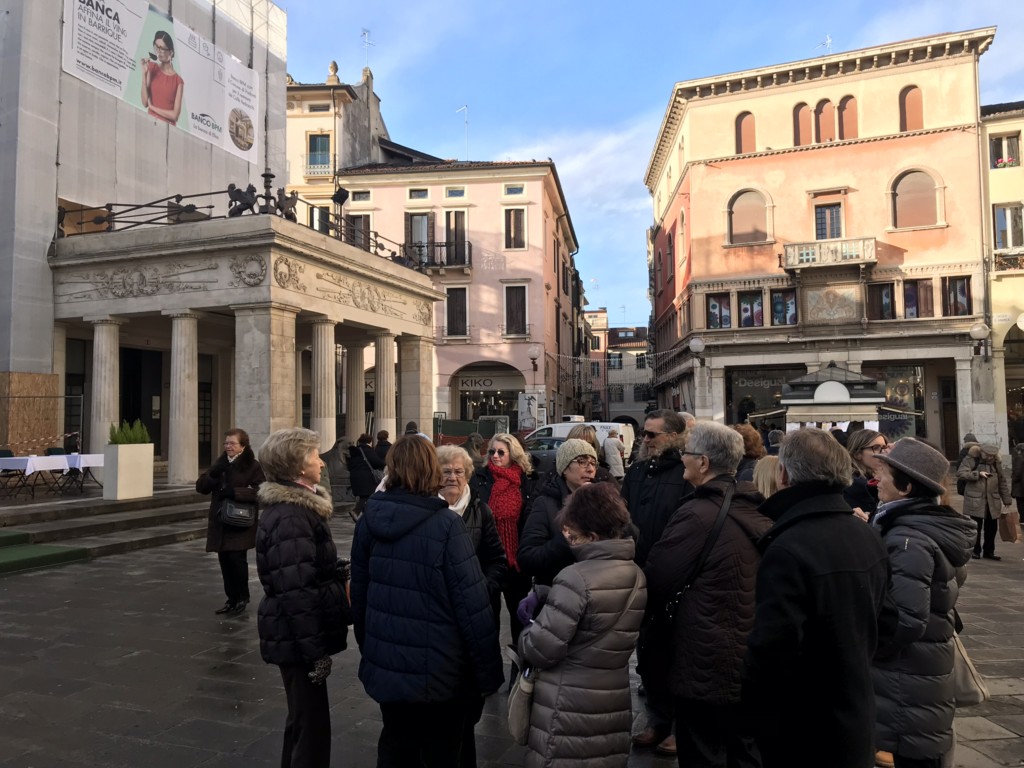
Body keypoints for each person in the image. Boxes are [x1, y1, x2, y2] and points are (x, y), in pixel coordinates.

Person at [350, 435, 503, 767]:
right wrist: (488, 673)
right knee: (441, 752)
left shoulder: (368, 521)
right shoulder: (447, 524)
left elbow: (359, 597)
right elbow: (473, 607)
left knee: (396, 746)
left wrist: (370, 649)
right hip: (440, 670)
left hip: (388, 663)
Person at [742, 428, 890, 768]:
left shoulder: (788, 546)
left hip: (802, 726)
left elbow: (772, 650)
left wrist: (751, 716)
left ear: (783, 475)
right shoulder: (867, 534)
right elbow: (889, 624)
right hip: (856, 711)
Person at [645, 421, 770, 768]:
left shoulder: (696, 514)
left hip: (703, 659)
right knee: (743, 750)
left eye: (686, 453)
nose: (682, 458)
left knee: (703, 751)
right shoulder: (756, 507)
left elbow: (658, 578)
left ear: (703, 462)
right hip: (746, 655)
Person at [517, 482, 647, 768]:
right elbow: (598, 611)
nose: (570, 542)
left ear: (592, 536)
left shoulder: (574, 577)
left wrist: (528, 629)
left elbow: (541, 649)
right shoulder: (636, 574)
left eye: (574, 537)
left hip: (567, 705)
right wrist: (551, 596)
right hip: (612, 702)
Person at [870, 438, 975, 768]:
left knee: (914, 756)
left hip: (907, 682)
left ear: (906, 488)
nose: (877, 480)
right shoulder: (923, 528)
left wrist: (866, 646)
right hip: (920, 677)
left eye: (885, 475)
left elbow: (906, 621)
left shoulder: (908, 539)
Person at [255, 428, 349, 768]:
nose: (321, 463)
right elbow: (296, 591)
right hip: (297, 637)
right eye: (314, 455)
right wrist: (315, 652)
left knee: (304, 720)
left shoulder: (297, 509)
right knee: (311, 727)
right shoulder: (292, 515)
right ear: (297, 465)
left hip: (293, 634)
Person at [621, 409, 692, 756]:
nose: (645, 440)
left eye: (652, 434)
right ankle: (657, 720)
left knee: (678, 654)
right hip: (640, 574)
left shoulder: (686, 473)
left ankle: (680, 726)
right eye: (644, 434)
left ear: (674, 437)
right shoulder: (636, 471)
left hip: (678, 577)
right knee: (648, 653)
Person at [469, 433, 537, 647]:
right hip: (488, 559)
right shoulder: (479, 478)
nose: (495, 456)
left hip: (516, 562)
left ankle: (519, 662)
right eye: (492, 452)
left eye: (500, 452)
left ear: (513, 454)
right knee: (489, 620)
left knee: (519, 618)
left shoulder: (526, 481)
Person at [195, 428, 265, 616]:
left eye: (232, 443)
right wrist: (213, 475)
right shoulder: (220, 463)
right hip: (221, 520)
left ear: (243, 446)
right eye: (226, 443)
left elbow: (261, 491)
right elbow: (201, 488)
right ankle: (231, 599)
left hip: (239, 520)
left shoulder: (253, 466)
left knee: (237, 560)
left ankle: (242, 597)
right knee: (224, 561)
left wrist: (236, 492)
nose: (228, 446)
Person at [436, 444, 508, 620]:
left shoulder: (482, 511)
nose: (452, 477)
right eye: (446, 472)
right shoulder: (428, 511)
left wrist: (483, 589)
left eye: (458, 472)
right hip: (438, 608)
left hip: (476, 607)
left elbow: (497, 560)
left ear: (467, 476)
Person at [518, 439, 598, 587]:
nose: (590, 469)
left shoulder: (603, 499)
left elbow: (629, 535)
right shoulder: (545, 503)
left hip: (598, 589)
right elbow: (527, 558)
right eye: (582, 462)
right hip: (559, 590)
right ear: (564, 468)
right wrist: (563, 542)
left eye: (593, 463)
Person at [957, 443, 1011, 560]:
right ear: (981, 452)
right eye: (987, 455)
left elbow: (1002, 481)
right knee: (976, 527)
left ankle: (989, 551)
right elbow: (961, 473)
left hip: (992, 500)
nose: (989, 458)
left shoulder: (996, 463)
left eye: (992, 456)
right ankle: (975, 551)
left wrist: (1006, 499)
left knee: (992, 527)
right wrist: (978, 474)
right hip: (975, 499)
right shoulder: (971, 459)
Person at [844, 429, 889, 522]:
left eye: (884, 447)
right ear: (857, 454)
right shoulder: (850, 485)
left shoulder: (888, 480)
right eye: (876, 448)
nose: (882, 452)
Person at [140, 31, 184, 124]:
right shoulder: (152, 67)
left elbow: (175, 115)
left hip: (168, 128)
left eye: (162, 48)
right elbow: (145, 103)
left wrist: (153, 108)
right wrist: (144, 74)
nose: (158, 51)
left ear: (171, 52)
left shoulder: (178, 81)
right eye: (157, 47)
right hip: (150, 123)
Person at [347, 434, 384, 522]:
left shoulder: (354, 451)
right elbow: (377, 462)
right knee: (368, 494)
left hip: (355, 476)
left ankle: (364, 513)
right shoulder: (368, 450)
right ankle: (356, 511)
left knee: (364, 495)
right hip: (366, 477)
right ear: (370, 442)